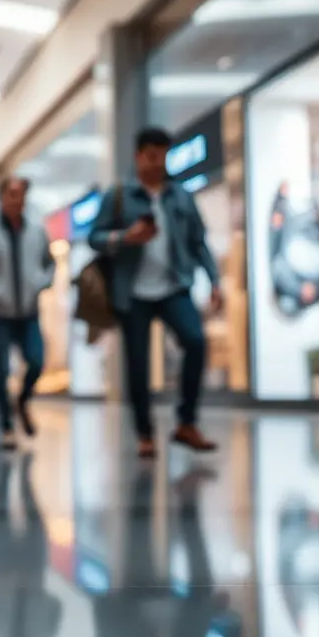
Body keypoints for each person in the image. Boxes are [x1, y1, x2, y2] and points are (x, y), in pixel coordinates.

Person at [89, 127, 221, 459]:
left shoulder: (180, 196)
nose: (158, 162)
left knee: (195, 341)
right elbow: (95, 237)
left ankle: (186, 422)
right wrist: (125, 238)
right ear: (138, 156)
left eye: (163, 155)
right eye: (152, 155)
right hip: (132, 294)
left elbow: (198, 242)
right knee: (138, 366)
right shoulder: (119, 195)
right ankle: (145, 434)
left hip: (174, 286)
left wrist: (215, 280)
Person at [0, 177, 55, 450]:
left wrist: (41, 282)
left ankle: (23, 399)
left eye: (21, 194)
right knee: (1, 370)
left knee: (37, 360)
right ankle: (6, 426)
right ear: (1, 197)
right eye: (12, 194)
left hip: (28, 311)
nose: (17, 199)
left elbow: (49, 265)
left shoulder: (37, 232)